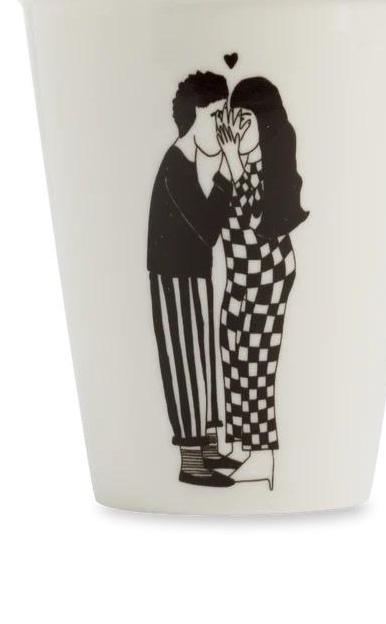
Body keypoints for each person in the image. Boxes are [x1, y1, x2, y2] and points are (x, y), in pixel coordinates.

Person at [147, 71, 242, 487]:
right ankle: (191, 460)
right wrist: (227, 172)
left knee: (202, 357)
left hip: (194, 275)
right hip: (175, 279)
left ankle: (207, 447)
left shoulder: (186, 163)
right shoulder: (175, 165)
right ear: (194, 116)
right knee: (186, 362)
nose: (221, 127)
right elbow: (207, 228)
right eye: (215, 116)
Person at [216, 77, 308, 489]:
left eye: (246, 120)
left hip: (267, 275)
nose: (237, 130)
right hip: (240, 273)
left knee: (255, 360)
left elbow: (254, 215)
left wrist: (233, 158)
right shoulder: (238, 163)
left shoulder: (267, 168)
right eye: (234, 119)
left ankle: (263, 454)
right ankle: (239, 443)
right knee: (231, 349)